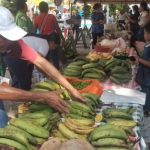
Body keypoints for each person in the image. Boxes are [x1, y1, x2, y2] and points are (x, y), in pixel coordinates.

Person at [0, 6, 85, 127]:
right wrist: (41, 96)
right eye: (4, 37)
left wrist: (71, 89)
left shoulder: (11, 43)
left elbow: (41, 62)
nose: (9, 41)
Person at [135, 23, 150, 116]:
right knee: (144, 92)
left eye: (145, 33)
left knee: (147, 94)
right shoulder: (147, 44)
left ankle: (146, 111)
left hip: (148, 77)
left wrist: (139, 59)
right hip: (144, 75)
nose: (144, 35)